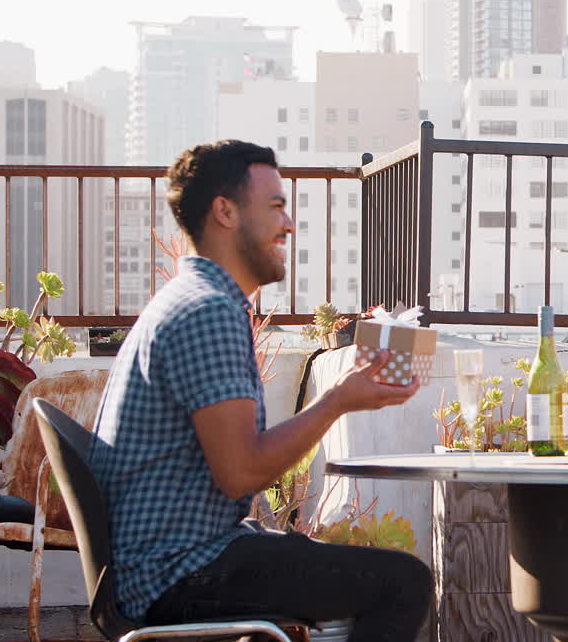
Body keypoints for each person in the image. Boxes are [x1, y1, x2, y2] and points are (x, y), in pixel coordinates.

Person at [89, 141, 431, 642]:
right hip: (175, 573)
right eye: (275, 206)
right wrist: (337, 399)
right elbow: (242, 472)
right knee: (403, 584)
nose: (288, 224)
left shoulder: (190, 300)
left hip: (168, 563)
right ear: (225, 212)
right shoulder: (207, 312)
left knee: (303, 561)